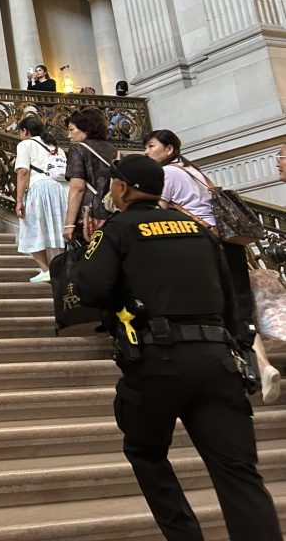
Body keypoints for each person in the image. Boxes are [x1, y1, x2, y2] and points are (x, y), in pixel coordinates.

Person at [75, 154, 282, 541]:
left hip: (157, 362)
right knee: (238, 472)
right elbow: (230, 295)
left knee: (145, 451)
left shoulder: (117, 230)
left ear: (120, 188)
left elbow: (91, 289)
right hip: (217, 360)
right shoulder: (199, 229)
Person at [144, 129, 281, 403]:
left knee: (212, 308)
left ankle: (235, 371)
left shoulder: (168, 174)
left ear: (169, 149)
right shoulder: (195, 171)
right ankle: (263, 366)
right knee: (241, 310)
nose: (147, 152)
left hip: (202, 244)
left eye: (150, 146)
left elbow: (156, 209)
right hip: (229, 241)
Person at [14, 117, 69, 283]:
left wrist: (19, 200)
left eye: (20, 132)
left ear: (25, 131)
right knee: (58, 229)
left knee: (31, 228)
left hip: (40, 188)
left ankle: (46, 269)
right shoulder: (56, 147)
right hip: (61, 190)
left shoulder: (25, 144)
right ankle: (60, 269)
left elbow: (23, 172)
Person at [63, 107, 117, 242]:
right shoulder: (114, 151)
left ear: (86, 129)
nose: (69, 136)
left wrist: (69, 224)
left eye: (71, 130)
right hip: (115, 212)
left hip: (91, 215)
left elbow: (78, 188)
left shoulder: (77, 149)